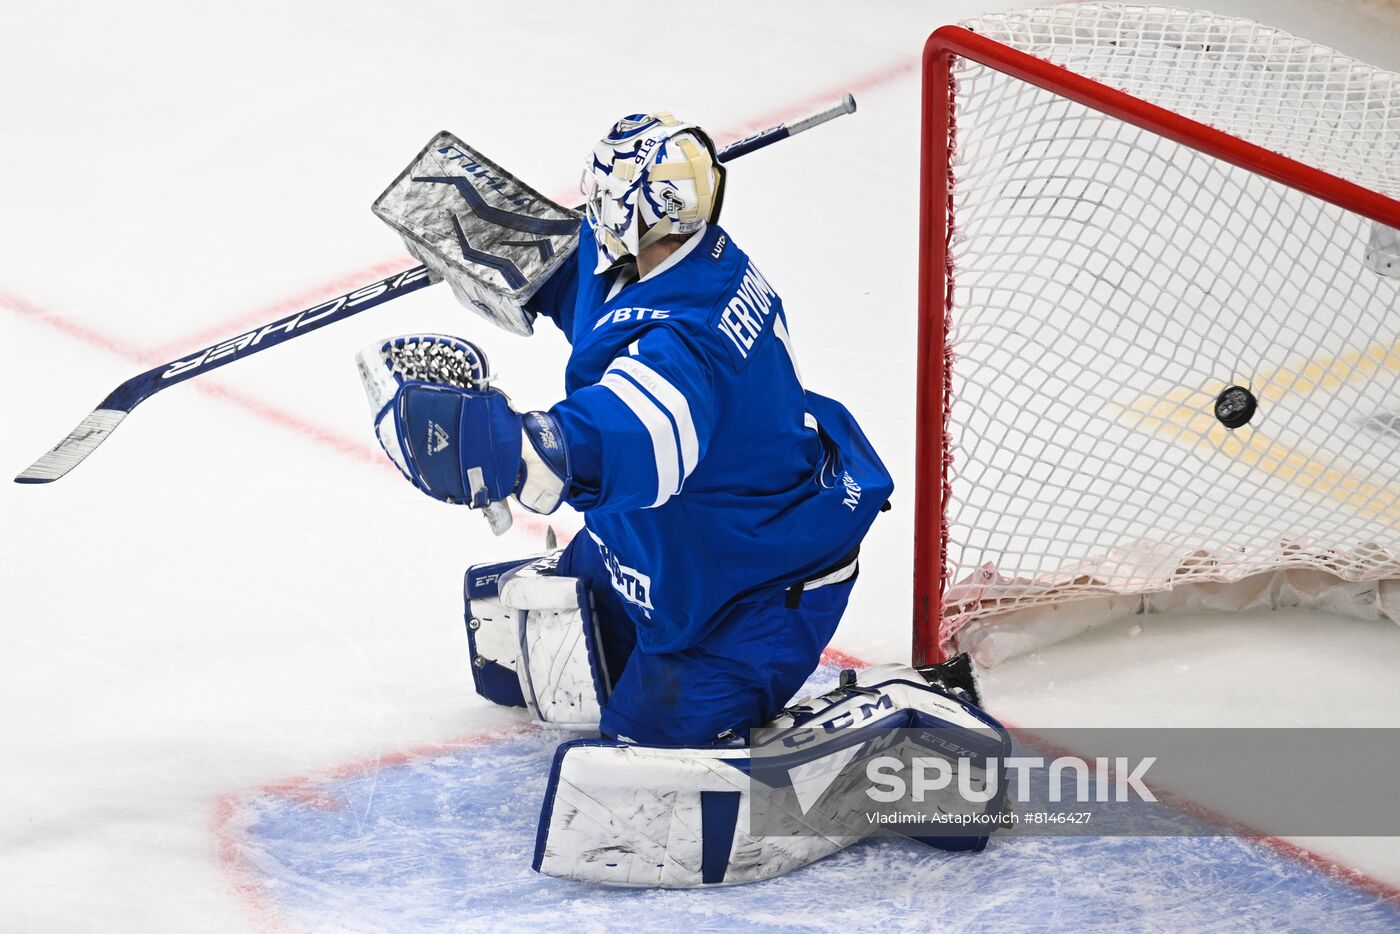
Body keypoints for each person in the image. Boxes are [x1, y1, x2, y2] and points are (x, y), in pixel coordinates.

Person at [368, 112, 893, 746]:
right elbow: (579, 279)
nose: (590, 214)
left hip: (746, 592)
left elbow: (632, 430)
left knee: (645, 776)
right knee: (519, 633)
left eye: (599, 200)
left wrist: (514, 448)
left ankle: (886, 736)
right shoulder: (661, 259)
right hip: (674, 543)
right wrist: (473, 236)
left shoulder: (688, 343)